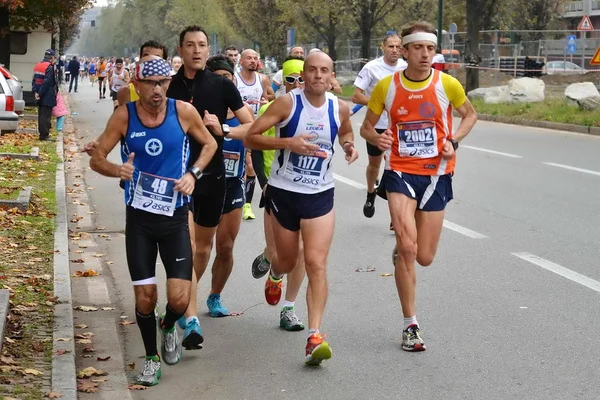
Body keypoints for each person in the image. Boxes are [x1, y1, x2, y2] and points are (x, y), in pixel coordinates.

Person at [89, 56, 218, 385]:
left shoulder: (183, 112)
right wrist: (118, 170)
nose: (157, 90)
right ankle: (150, 358)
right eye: (150, 84)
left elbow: (210, 144)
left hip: (175, 216)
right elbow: (97, 158)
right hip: (140, 221)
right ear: (138, 85)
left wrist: (194, 173)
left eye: (163, 83)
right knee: (145, 298)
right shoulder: (124, 116)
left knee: (179, 298)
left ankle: (168, 326)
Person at [360, 22, 477, 352]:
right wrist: (376, 136)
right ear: (406, 52)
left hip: (438, 175)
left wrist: (454, 140)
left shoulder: (448, 84)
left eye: (430, 49)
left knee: (423, 256)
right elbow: (367, 128)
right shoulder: (387, 87)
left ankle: (405, 250)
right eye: (419, 49)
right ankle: (410, 325)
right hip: (399, 171)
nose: (426, 54)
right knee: (409, 248)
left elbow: (470, 115)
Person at [244, 51, 359, 365]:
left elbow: (346, 130)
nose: (318, 76)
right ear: (303, 75)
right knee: (287, 259)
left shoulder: (340, 107)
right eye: (312, 70)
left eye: (324, 71)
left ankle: (315, 335)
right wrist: (287, 143)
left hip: (320, 194)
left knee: (316, 262)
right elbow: (251, 138)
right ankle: (276, 273)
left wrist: (348, 146)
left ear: (331, 76)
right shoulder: (287, 104)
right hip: (284, 193)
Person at [167, 25, 253, 350]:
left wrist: (225, 129)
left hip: (213, 177)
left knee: (202, 249)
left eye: (202, 44)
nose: (197, 50)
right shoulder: (169, 86)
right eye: (190, 45)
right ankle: (190, 317)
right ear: (181, 49)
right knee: (186, 247)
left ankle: (182, 301)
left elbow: (251, 125)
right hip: (178, 178)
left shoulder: (221, 85)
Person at [250, 55, 308, 332]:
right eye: (290, 79)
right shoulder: (272, 109)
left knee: (303, 252)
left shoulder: (319, 108)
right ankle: (268, 261)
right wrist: (263, 182)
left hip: (308, 190)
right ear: (281, 81)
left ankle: (289, 308)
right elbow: (256, 146)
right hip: (275, 186)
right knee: (278, 253)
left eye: (301, 78)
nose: (297, 83)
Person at [203, 55, 254, 316]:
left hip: (233, 185)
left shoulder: (241, 112)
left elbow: (253, 129)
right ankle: (182, 300)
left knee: (225, 246)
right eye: (218, 79)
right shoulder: (198, 110)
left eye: (228, 78)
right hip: (202, 186)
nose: (225, 84)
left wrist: (224, 130)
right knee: (199, 249)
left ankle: (215, 296)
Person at [351, 33, 407, 220]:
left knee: (396, 167)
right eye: (391, 46)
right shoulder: (372, 68)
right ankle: (370, 193)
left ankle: (395, 215)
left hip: (399, 126)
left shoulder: (407, 67)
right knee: (375, 165)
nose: (395, 50)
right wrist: (378, 104)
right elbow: (356, 96)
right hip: (376, 125)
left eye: (398, 47)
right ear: (383, 47)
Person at [235, 49, 274, 221]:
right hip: (239, 126)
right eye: (249, 58)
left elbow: (271, 95)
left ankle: (247, 204)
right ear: (241, 61)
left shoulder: (262, 79)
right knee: (237, 165)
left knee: (250, 166)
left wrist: (266, 101)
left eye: (255, 58)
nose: (252, 61)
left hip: (258, 126)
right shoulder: (235, 79)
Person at [32, 48, 58, 142]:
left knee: (41, 115)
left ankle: (42, 133)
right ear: (52, 57)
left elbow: (34, 80)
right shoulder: (49, 67)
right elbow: (47, 82)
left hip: (39, 94)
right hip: (47, 95)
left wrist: (36, 93)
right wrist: (40, 93)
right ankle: (44, 135)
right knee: (46, 116)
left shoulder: (38, 65)